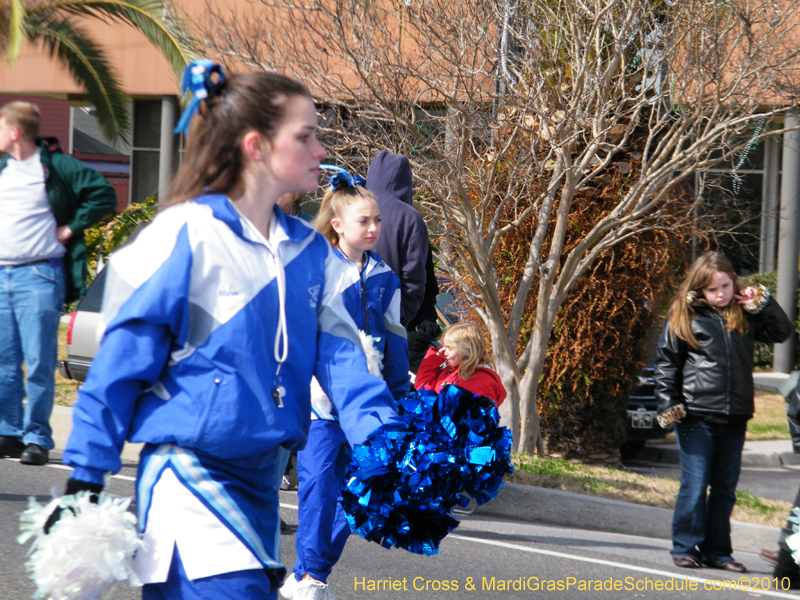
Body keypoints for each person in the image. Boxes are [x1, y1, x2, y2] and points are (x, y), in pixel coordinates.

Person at [60, 63, 399, 600]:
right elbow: (120, 364)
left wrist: (386, 440)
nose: (320, 151)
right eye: (306, 136)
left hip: (260, 485)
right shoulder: (184, 233)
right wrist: (86, 471)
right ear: (256, 146)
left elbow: (343, 360)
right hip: (190, 479)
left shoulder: (311, 255)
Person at [281, 172, 409, 600]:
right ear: (337, 224)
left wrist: (399, 395)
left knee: (361, 494)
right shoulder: (315, 266)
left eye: (376, 220)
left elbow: (396, 337)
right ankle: (308, 577)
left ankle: (310, 573)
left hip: (369, 403)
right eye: (363, 222)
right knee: (317, 489)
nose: (373, 228)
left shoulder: (386, 276)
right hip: (320, 401)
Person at [654, 251, 792, 573]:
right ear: (699, 289)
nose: (720, 294)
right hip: (695, 415)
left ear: (734, 282)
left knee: (725, 487)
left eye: (725, 286)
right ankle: (685, 547)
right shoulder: (684, 316)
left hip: (735, 415)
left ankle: (718, 551)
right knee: (696, 481)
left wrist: (763, 304)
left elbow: (782, 332)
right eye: (712, 289)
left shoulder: (744, 314)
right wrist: (667, 404)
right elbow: (665, 364)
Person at [0, 101, 117, 466]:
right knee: (4, 360)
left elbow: (103, 195)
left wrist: (68, 228)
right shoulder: (3, 169)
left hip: (38, 274)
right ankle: (9, 432)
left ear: (15, 132)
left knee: (38, 361)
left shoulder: (55, 165)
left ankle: (36, 436)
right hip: (2, 274)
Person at [365, 151, 429, 328]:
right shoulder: (409, 217)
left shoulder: (349, 205)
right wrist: (398, 318)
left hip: (344, 317)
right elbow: (414, 279)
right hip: (387, 320)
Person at [415, 322, 506, 407]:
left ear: (467, 350)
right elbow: (422, 386)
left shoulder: (483, 381)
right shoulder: (450, 370)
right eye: (444, 347)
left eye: (449, 348)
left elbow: (476, 418)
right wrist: (435, 358)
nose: (444, 352)